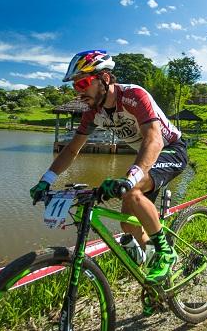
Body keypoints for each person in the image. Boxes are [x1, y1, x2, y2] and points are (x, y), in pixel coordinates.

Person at [30, 50, 187, 313]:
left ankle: (166, 253)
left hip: (169, 148)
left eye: (82, 83)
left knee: (133, 190)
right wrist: (46, 180)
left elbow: (154, 140)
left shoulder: (134, 96)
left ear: (104, 78)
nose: (79, 93)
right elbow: (71, 150)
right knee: (128, 225)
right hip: (144, 157)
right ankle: (162, 277)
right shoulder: (93, 113)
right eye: (75, 86)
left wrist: (131, 178)